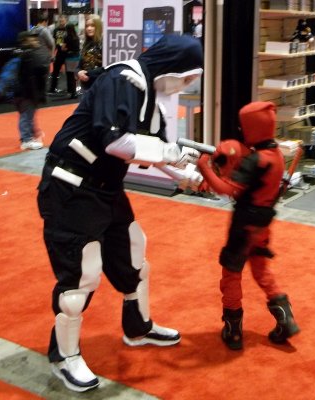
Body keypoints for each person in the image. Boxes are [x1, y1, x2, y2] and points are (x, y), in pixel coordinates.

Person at [37, 34, 203, 392]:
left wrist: (185, 173)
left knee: (134, 255)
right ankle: (64, 357)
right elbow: (118, 142)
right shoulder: (122, 79)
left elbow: (154, 149)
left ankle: (138, 326)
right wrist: (173, 156)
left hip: (105, 188)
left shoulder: (149, 95)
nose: (188, 83)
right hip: (71, 186)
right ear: (171, 66)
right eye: (188, 76)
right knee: (83, 276)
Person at [197, 101, 300, 351]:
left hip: (244, 224)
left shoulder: (256, 160)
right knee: (261, 271)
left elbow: (227, 190)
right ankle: (285, 318)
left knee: (231, 273)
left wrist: (205, 168)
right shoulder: (275, 154)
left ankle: (233, 330)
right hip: (262, 225)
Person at [14, 31, 50, 150]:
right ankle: (26, 139)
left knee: (29, 115)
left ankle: (29, 136)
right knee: (26, 115)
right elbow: (28, 77)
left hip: (27, 91)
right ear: (25, 41)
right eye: (32, 39)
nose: (35, 41)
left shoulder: (27, 54)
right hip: (26, 92)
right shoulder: (27, 55)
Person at [76, 14, 103, 92]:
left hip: (100, 87)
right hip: (86, 88)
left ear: (98, 27)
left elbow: (106, 68)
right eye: (87, 26)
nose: (89, 28)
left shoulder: (104, 44)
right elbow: (79, 66)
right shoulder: (86, 44)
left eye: (92, 25)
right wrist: (78, 72)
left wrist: (87, 73)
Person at [48, 14, 68, 94]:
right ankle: (52, 89)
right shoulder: (56, 30)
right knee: (55, 72)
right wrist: (53, 54)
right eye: (60, 21)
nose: (61, 22)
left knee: (69, 73)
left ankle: (71, 89)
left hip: (67, 53)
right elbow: (54, 43)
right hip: (59, 53)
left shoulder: (68, 29)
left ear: (66, 21)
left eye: (62, 21)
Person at [62, 22, 80, 99]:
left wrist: (66, 49)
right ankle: (75, 91)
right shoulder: (77, 37)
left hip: (69, 58)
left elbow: (63, 48)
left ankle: (71, 92)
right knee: (75, 75)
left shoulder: (66, 37)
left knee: (69, 76)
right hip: (77, 57)